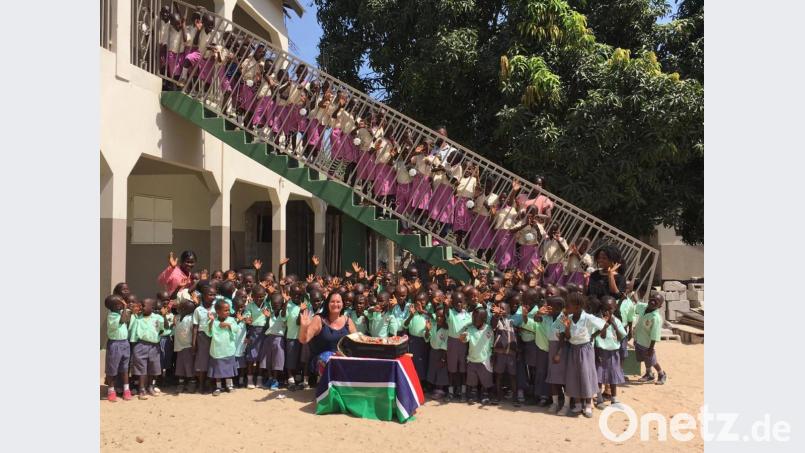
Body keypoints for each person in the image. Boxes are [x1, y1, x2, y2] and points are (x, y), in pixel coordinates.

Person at [555, 292, 605, 418]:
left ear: (577, 306)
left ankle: (588, 405)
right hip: (573, 349)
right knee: (573, 375)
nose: (566, 307)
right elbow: (567, 337)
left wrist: (592, 336)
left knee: (585, 375)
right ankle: (577, 404)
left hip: (585, 350)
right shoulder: (569, 319)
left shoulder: (588, 318)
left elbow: (604, 325)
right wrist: (566, 327)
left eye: (569, 305)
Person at [298, 292, 357, 375]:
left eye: (338, 302)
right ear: (327, 304)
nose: (335, 304)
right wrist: (304, 326)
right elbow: (304, 340)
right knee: (329, 358)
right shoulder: (319, 319)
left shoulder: (348, 321)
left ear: (343, 304)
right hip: (322, 360)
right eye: (332, 301)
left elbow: (357, 341)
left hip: (342, 358)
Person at [593, 297, 627, 408]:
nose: (608, 311)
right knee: (599, 376)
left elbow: (621, 336)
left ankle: (614, 398)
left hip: (613, 352)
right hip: (601, 351)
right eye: (605, 308)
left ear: (615, 308)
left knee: (613, 376)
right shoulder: (597, 321)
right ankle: (599, 399)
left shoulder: (616, 321)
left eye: (610, 308)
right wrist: (604, 325)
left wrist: (614, 324)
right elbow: (599, 337)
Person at [130, 298, 164, 400]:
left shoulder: (158, 318)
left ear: (152, 308)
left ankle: (150, 386)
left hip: (154, 346)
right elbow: (133, 333)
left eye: (143, 305)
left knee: (153, 368)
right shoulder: (137, 318)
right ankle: (141, 389)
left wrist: (164, 316)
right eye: (140, 305)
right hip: (140, 345)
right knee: (141, 369)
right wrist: (134, 346)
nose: (141, 307)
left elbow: (162, 329)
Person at [207, 299, 242, 395]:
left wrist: (228, 325)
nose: (228, 312)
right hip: (217, 350)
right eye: (225, 310)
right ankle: (218, 387)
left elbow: (236, 329)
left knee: (228, 369)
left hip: (228, 349)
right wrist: (211, 321)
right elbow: (209, 333)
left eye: (228, 310)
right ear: (218, 312)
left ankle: (229, 385)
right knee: (218, 369)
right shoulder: (214, 321)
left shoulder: (231, 320)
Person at [460, 307, 494, 405]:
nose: (474, 320)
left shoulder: (489, 329)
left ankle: (484, 394)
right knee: (472, 380)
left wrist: (492, 355)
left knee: (485, 379)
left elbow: (491, 344)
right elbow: (465, 339)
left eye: (477, 318)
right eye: (473, 318)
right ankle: (473, 395)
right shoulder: (470, 329)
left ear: (483, 319)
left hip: (485, 359)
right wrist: (462, 337)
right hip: (472, 359)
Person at [634, 292, 667, 385]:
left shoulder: (656, 318)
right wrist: (634, 295)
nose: (652, 302)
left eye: (656, 302)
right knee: (645, 359)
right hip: (639, 340)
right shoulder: (644, 307)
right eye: (652, 299)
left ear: (660, 306)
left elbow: (654, 334)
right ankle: (649, 374)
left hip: (647, 344)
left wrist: (651, 348)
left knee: (652, 360)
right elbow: (637, 303)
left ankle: (661, 374)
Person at [104, 295, 132, 402]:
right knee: (112, 369)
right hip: (115, 344)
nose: (120, 305)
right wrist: (125, 307)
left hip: (125, 343)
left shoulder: (120, 312)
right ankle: (111, 390)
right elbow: (123, 319)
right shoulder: (112, 315)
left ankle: (126, 389)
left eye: (121, 303)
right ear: (111, 307)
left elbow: (127, 317)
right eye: (118, 304)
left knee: (124, 368)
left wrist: (128, 308)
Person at [445, 291, 471, 402]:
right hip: (452, 343)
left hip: (463, 344)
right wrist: (445, 305)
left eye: (461, 302)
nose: (459, 304)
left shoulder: (468, 315)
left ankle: (463, 392)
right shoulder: (450, 312)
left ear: (464, 302)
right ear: (452, 303)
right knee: (451, 369)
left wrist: (466, 335)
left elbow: (470, 329)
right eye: (456, 302)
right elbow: (446, 312)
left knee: (463, 369)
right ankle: (451, 392)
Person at [491, 302, 519, 405]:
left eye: (504, 308)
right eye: (500, 308)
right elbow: (493, 324)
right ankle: (498, 396)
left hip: (511, 354)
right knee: (499, 375)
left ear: (509, 310)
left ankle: (515, 398)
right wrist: (496, 315)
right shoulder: (497, 321)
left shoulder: (512, 320)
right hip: (500, 353)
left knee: (513, 376)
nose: (502, 310)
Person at [192, 284, 217, 393]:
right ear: (204, 296)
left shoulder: (216, 308)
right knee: (202, 361)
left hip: (214, 337)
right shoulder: (198, 310)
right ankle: (201, 384)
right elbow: (195, 327)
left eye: (214, 295)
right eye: (210, 295)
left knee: (213, 360)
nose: (213, 297)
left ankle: (211, 384)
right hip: (202, 337)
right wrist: (194, 342)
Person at [243, 285, 269, 389]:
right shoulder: (250, 305)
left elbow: (270, 316)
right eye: (256, 297)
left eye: (261, 296)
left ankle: (259, 379)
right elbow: (247, 316)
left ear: (265, 296)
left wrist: (268, 316)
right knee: (251, 356)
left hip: (264, 332)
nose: (259, 299)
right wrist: (247, 319)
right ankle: (249, 379)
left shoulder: (267, 305)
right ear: (252, 296)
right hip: (254, 332)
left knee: (261, 357)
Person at [403, 291, 431, 383]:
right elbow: (405, 325)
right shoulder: (412, 312)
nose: (419, 303)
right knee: (413, 362)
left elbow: (428, 330)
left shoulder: (427, 315)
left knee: (422, 362)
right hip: (412, 341)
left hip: (422, 341)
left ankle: (422, 383)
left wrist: (423, 311)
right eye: (417, 301)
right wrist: (411, 315)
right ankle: (413, 382)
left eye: (422, 301)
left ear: (426, 302)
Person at [263, 292, 288, 390]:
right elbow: (266, 327)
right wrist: (267, 317)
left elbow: (284, 311)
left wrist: (287, 301)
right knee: (268, 360)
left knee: (277, 361)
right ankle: (270, 378)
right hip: (269, 338)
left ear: (282, 305)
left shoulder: (282, 314)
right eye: (273, 305)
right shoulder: (271, 314)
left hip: (278, 340)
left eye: (277, 305)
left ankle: (275, 380)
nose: (274, 307)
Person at [425, 306, 449, 399]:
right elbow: (427, 338)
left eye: (442, 317)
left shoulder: (446, 329)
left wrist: (443, 357)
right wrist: (427, 330)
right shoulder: (433, 325)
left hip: (442, 352)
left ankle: (441, 389)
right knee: (433, 368)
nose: (439, 318)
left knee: (441, 369)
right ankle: (434, 386)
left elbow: (446, 343)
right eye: (438, 316)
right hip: (433, 350)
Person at [172, 300, 196, 393]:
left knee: (189, 365)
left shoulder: (191, 318)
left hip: (188, 345)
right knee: (180, 366)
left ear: (183, 309)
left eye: (180, 306)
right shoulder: (177, 317)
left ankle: (192, 383)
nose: (178, 307)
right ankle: (181, 383)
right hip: (179, 346)